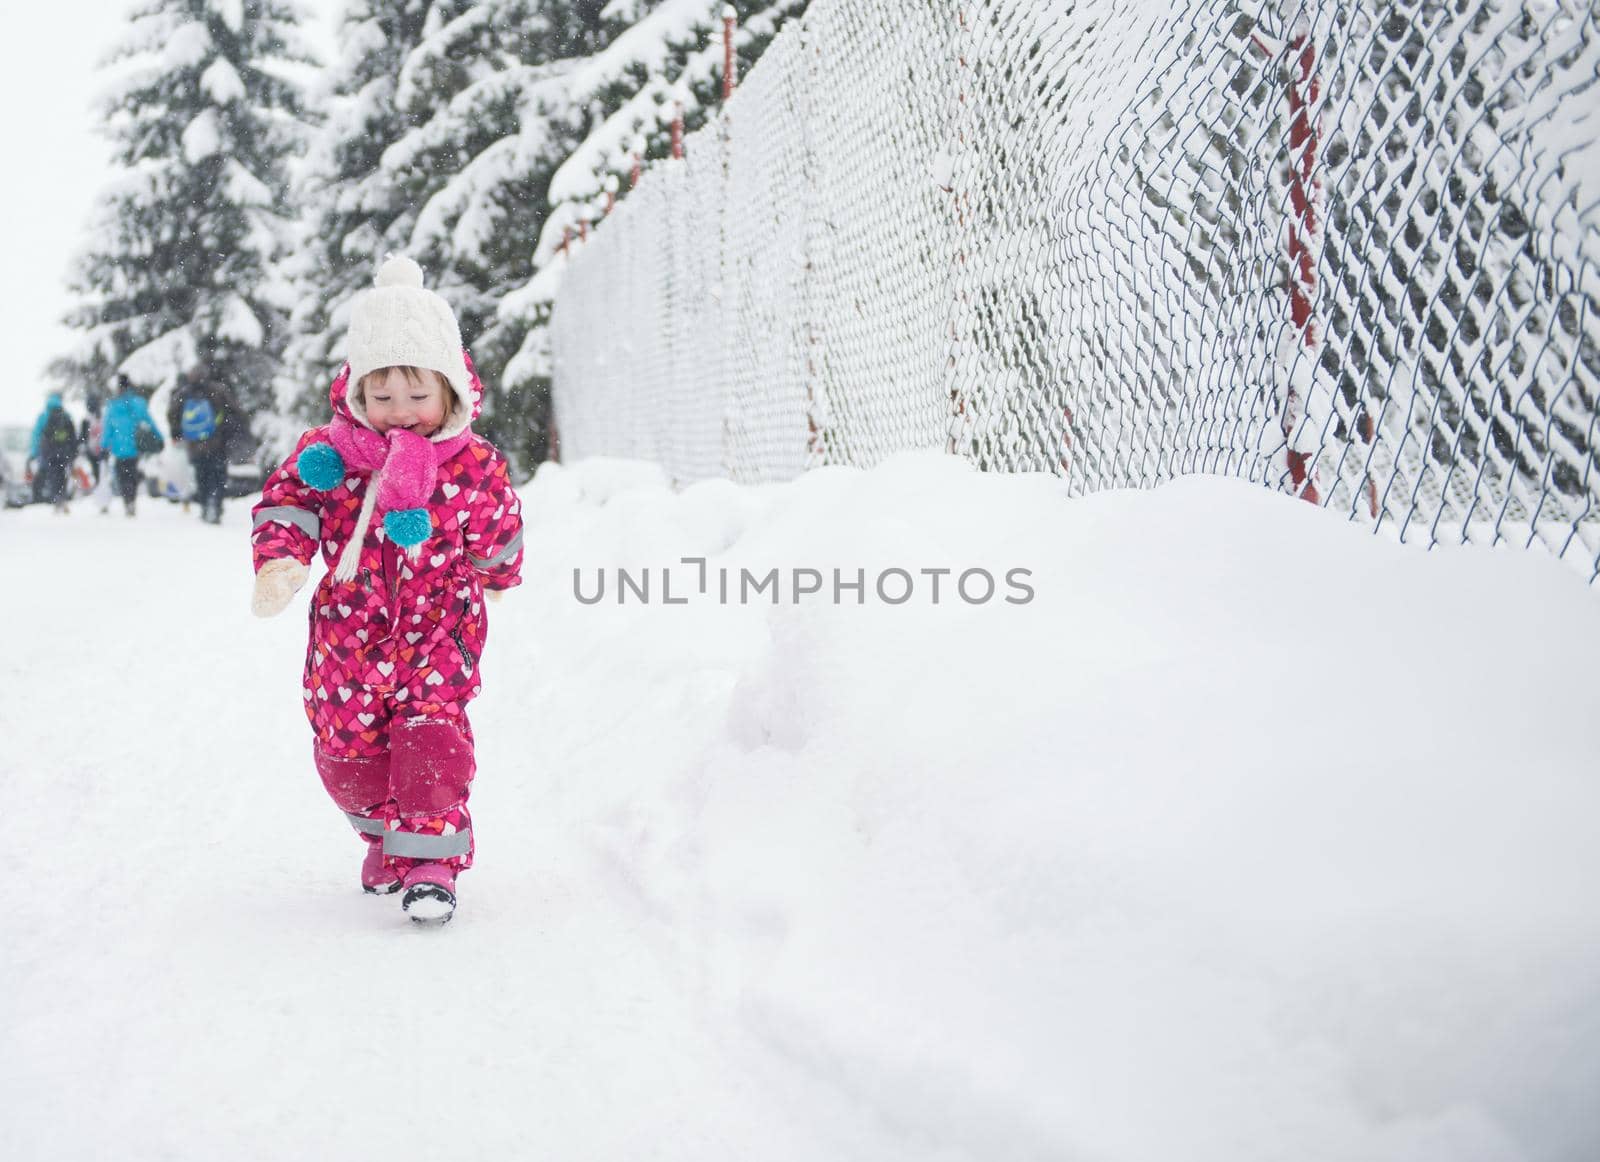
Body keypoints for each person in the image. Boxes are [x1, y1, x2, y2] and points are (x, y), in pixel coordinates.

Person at [249, 256, 524, 925]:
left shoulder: (473, 464)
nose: (402, 413)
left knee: (431, 737)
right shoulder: (330, 455)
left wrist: (495, 566)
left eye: (418, 395)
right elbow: (288, 504)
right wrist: (281, 561)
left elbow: (500, 529)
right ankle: (384, 838)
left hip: (439, 628)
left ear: (451, 389)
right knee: (347, 752)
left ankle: (431, 862)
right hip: (348, 633)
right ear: (357, 394)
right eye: (383, 397)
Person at [167, 364, 241, 524]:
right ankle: (215, 503)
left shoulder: (184, 393)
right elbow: (234, 411)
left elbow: (173, 413)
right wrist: (229, 432)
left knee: (202, 475)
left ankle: (205, 505)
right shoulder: (219, 390)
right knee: (218, 475)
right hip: (217, 442)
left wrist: (176, 433)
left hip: (195, 445)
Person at [99, 374, 164, 516]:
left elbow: (107, 428)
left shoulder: (113, 406)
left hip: (118, 448)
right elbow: (149, 422)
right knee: (132, 474)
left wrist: (103, 446)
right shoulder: (138, 403)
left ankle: (127, 500)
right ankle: (131, 500)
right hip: (135, 446)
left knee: (122, 476)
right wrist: (159, 437)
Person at [29, 392, 79, 513]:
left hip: (50, 453)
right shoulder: (66, 415)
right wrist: (73, 452)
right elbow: (73, 436)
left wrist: (34, 452)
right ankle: (62, 497)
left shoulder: (44, 416)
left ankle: (56, 498)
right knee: (63, 475)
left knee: (53, 475)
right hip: (64, 452)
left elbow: (37, 435)